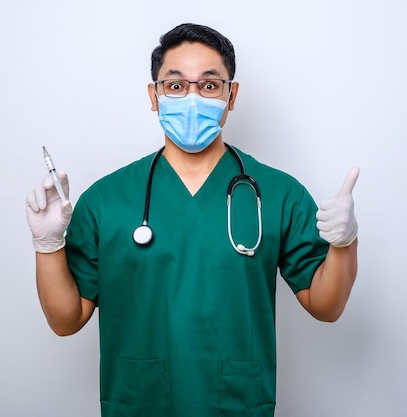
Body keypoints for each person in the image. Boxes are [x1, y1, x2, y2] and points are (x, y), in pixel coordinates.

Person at [25, 22, 359, 417]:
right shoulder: (106, 199)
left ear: (231, 95)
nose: (193, 97)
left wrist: (345, 243)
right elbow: (66, 320)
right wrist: (48, 246)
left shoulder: (277, 193)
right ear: (154, 96)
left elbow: (326, 306)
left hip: (234, 405)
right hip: (140, 402)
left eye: (210, 85)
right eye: (176, 85)